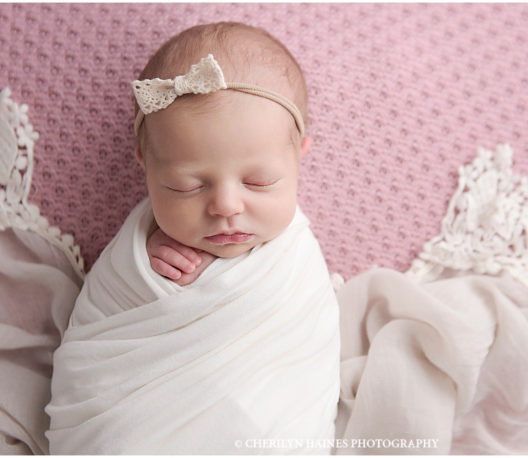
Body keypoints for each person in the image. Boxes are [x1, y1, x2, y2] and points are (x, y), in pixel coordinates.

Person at [45, 22, 340, 453]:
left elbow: (302, 360)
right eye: (187, 186)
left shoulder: (294, 263)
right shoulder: (137, 253)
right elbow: (106, 335)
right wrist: (141, 264)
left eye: (258, 182)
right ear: (145, 163)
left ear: (299, 156)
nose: (225, 206)